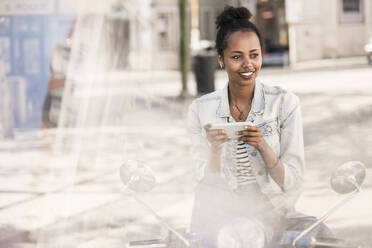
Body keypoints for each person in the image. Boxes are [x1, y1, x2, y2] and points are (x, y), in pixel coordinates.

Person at [187, 5, 305, 247]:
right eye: (236, 56)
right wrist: (215, 151)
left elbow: (292, 181)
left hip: (270, 211)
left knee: (314, 237)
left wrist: (263, 145)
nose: (248, 64)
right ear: (221, 59)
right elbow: (203, 181)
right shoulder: (200, 110)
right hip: (217, 213)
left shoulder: (285, 103)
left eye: (254, 54)